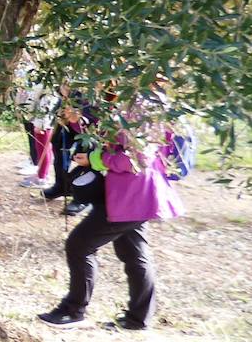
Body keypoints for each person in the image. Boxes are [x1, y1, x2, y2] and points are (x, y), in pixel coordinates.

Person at [38, 124, 184, 331]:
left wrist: (96, 159)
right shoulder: (132, 109)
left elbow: (136, 159)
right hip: (137, 194)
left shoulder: (141, 113)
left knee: (79, 245)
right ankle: (138, 319)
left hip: (132, 195)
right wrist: (76, 121)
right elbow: (101, 129)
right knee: (134, 253)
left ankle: (73, 311)